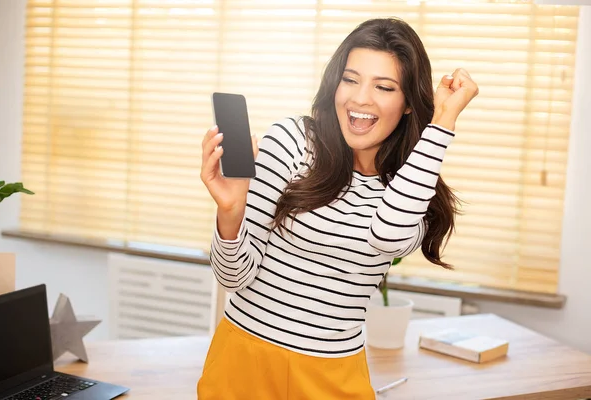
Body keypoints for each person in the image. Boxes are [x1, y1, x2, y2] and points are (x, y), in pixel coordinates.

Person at [198, 17, 478, 400]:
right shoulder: (293, 142)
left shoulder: (414, 192)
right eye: (350, 79)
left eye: (384, 87)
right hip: (243, 360)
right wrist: (230, 211)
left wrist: (443, 120)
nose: (360, 98)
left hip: (332, 375)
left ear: (409, 104)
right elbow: (232, 277)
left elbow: (388, 232)